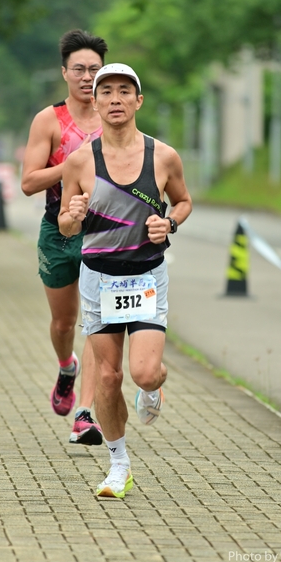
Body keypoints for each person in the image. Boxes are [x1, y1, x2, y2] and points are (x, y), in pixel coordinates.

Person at [58, 63, 193, 498]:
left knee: (145, 373)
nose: (115, 99)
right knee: (108, 377)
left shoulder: (163, 156)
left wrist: (169, 223)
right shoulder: (79, 161)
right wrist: (73, 216)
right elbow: (65, 225)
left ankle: (153, 390)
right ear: (94, 102)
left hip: (146, 275)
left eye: (124, 91)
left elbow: (183, 201)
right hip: (99, 279)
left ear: (139, 100)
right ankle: (119, 466)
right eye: (106, 92)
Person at [21, 29, 109, 446]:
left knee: (96, 322)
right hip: (58, 231)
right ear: (64, 73)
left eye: (94, 69)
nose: (87, 77)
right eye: (79, 69)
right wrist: (73, 164)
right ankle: (66, 366)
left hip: (103, 232)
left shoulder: (115, 116)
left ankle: (85, 415)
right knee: (64, 323)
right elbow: (28, 182)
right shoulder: (49, 120)